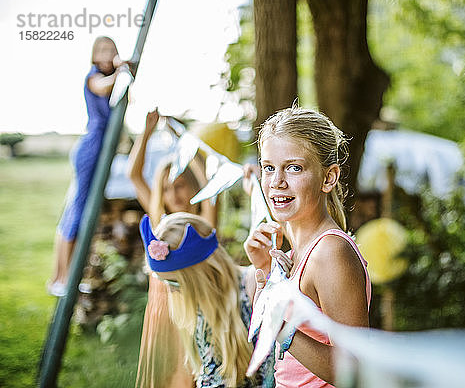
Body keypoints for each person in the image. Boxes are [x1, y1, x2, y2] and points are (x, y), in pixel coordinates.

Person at [243, 105, 372, 387]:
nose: (277, 181)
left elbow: (354, 372)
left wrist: (283, 330)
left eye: (294, 168)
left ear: (329, 177)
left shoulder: (330, 253)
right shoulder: (294, 253)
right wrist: (264, 270)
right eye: (268, 167)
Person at [128, 108, 219, 388]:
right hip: (160, 306)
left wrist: (187, 145)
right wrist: (146, 132)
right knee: (163, 370)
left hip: (191, 306)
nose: (173, 194)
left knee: (187, 370)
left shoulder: (202, 223)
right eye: (166, 188)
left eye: (180, 186)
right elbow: (134, 175)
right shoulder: (159, 221)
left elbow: (209, 186)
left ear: (194, 188)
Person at [139, 212, 275, 387]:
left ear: (200, 277)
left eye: (174, 283)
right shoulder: (198, 309)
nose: (170, 291)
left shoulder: (253, 288)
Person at [48, 36, 130, 297]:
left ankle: (63, 276)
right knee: (77, 212)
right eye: (103, 50)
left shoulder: (110, 77)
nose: (108, 55)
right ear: (94, 55)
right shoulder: (93, 77)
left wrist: (121, 71)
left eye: (112, 50)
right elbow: (104, 86)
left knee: (76, 211)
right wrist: (121, 69)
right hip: (91, 148)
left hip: (98, 150)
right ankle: (63, 278)